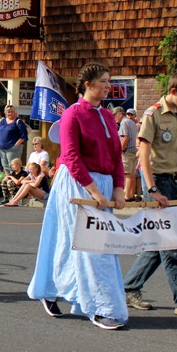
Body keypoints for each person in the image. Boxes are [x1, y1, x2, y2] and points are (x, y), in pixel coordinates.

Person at [27, 62, 128, 331]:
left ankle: (67, 293)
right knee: (80, 244)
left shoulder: (107, 116)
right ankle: (98, 306)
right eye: (104, 81)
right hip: (77, 185)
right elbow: (70, 156)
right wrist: (93, 189)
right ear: (88, 85)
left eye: (109, 81)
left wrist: (119, 187)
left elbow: (116, 156)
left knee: (100, 246)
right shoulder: (73, 114)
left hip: (103, 185)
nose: (108, 85)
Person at [123, 70, 177, 318]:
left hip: (175, 183)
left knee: (157, 243)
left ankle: (129, 287)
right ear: (173, 92)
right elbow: (143, 153)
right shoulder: (153, 114)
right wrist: (152, 189)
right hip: (158, 183)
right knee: (170, 244)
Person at [114, 106, 139, 201]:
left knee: (127, 175)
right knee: (132, 175)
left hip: (127, 152)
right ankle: (131, 194)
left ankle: (127, 196)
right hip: (134, 151)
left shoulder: (124, 122)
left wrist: (120, 151)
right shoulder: (132, 123)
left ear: (120, 114)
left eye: (115, 115)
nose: (114, 118)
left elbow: (125, 138)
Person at [0, 105, 28, 172]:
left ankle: (14, 181)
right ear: (5, 113)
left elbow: (24, 136)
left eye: (11, 112)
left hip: (13, 149)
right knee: (5, 167)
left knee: (13, 167)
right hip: (2, 149)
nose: (10, 113)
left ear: (15, 113)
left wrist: (15, 145)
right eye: (8, 112)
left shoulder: (18, 122)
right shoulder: (2, 121)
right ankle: (8, 181)